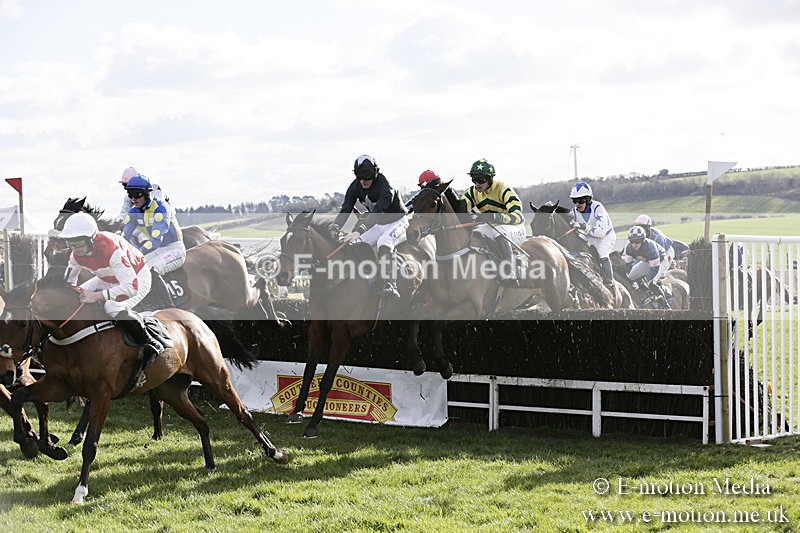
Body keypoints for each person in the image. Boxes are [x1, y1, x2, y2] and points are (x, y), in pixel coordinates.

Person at [60, 212, 165, 363]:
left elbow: (131, 287)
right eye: (70, 243)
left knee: (111, 306)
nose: (74, 248)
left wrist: (96, 296)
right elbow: (68, 284)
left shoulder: (112, 250)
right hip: (106, 278)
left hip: (137, 279)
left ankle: (150, 342)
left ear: (92, 240)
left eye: (78, 243)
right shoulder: (75, 253)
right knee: (75, 298)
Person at [330, 154, 408, 299]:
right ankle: (371, 277)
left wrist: (359, 231)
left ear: (375, 173)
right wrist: (334, 227)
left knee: (384, 243)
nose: (364, 181)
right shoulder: (355, 186)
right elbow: (346, 208)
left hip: (398, 222)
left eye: (367, 177)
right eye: (360, 177)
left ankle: (390, 283)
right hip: (379, 225)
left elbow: (378, 211)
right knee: (353, 244)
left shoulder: (386, 186)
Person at [122, 174, 186, 307]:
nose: (134, 199)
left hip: (175, 249)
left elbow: (156, 240)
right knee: (134, 269)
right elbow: (125, 236)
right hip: (157, 251)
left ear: (147, 193)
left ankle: (170, 307)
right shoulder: (134, 212)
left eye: (137, 194)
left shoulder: (161, 208)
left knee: (151, 269)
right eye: (130, 195)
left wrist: (139, 252)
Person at [461, 159, 526, 285]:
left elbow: (518, 216)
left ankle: (509, 271)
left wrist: (496, 217)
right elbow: (461, 207)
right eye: (474, 180)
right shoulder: (473, 192)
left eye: (481, 180)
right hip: (492, 227)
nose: (477, 184)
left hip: (514, 228)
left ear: (490, 178)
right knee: (476, 233)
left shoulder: (503, 190)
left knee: (500, 231)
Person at [569, 181, 616, 287]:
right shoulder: (575, 211)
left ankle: (610, 282)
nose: (577, 204)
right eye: (574, 201)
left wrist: (584, 227)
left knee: (602, 252)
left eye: (580, 201)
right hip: (590, 237)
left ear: (588, 199)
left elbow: (601, 232)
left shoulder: (598, 208)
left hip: (606, 236)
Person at [621, 225, 672, 306]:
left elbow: (654, 270)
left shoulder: (650, 248)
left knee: (651, 282)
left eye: (637, 241)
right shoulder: (629, 248)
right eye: (632, 241)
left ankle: (664, 304)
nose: (634, 244)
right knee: (631, 277)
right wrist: (628, 275)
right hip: (647, 262)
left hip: (661, 261)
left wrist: (644, 280)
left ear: (642, 240)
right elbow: (628, 265)